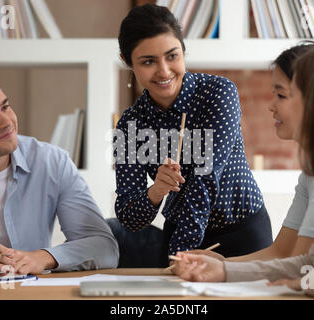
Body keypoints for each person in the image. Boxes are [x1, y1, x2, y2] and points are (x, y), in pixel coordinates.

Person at [174, 43, 314, 300]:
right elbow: (309, 262)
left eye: (285, 95)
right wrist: (226, 270)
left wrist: (301, 282)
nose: (272, 105)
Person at [114, 3, 272, 267]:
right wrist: (157, 190)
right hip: (179, 236)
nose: (164, 71)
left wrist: (180, 255)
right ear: (127, 61)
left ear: (183, 51)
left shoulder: (218, 93)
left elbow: (204, 179)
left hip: (242, 234)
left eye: (172, 56)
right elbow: (129, 216)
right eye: (148, 61)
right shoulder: (130, 124)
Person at [0, 58, 119, 274]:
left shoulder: (52, 163)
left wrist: (44, 257)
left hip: (28, 293)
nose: (7, 122)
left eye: (5, 107)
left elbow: (104, 247)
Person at [186, 42, 314, 264]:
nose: (271, 105)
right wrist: (222, 265)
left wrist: (223, 269)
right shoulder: (310, 174)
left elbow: (301, 267)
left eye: (281, 95)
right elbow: (280, 253)